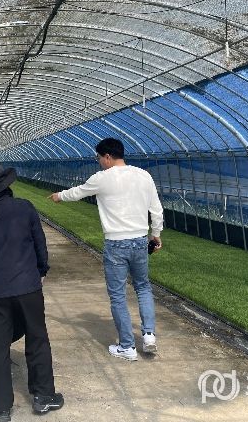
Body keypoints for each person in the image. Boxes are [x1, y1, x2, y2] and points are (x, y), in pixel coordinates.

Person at [0, 163, 63, 422]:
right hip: (28, 286)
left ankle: (1, 407)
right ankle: (43, 396)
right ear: (6, 185)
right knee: (37, 338)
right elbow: (40, 245)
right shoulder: (24, 208)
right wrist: (41, 270)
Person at [48, 137, 164, 361]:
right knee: (142, 287)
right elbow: (156, 209)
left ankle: (127, 347)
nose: (99, 161)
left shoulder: (102, 178)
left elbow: (77, 192)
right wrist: (156, 234)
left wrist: (58, 196)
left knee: (118, 295)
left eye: (99, 157)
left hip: (116, 243)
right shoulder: (144, 175)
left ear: (108, 157)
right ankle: (149, 335)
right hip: (140, 241)